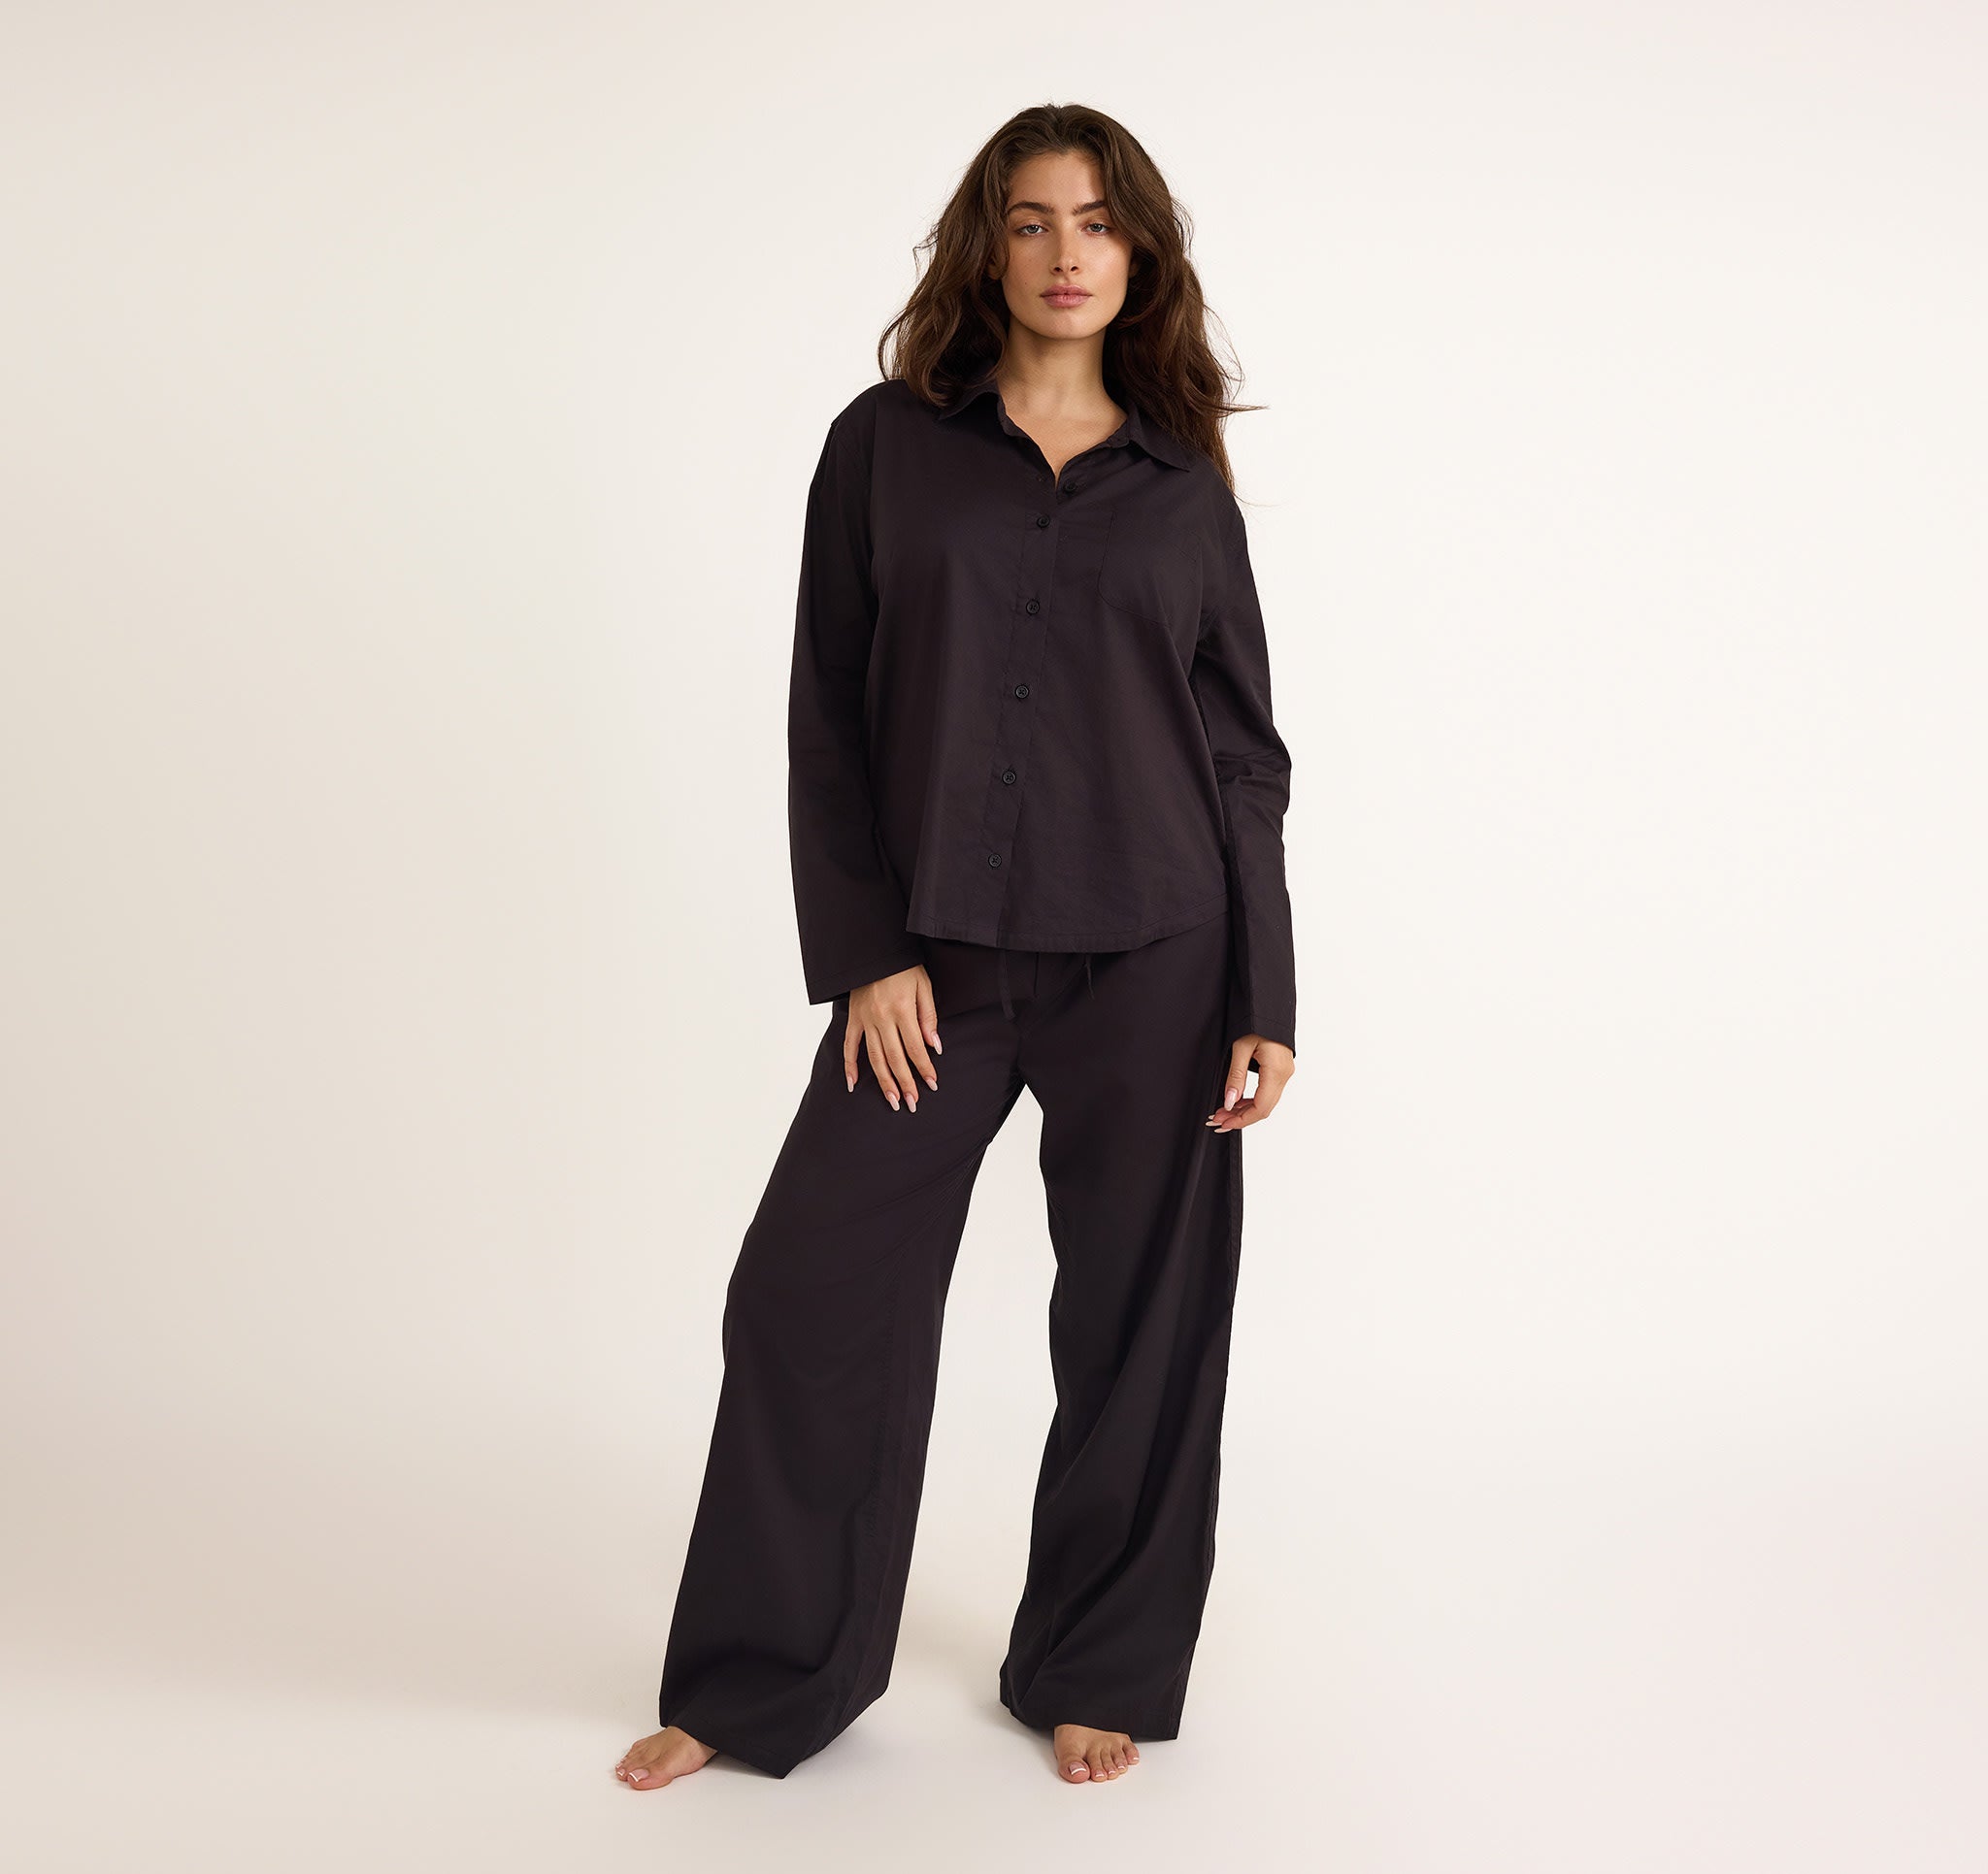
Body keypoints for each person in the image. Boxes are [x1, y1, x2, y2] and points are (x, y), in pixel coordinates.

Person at [615, 101, 1297, 1791]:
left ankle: (1098, 1661)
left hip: (1157, 955)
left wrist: (1264, 992)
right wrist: (868, 951)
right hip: (934, 966)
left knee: (1143, 1323)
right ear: (986, 248)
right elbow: (829, 714)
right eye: (1032, 220)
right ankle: (762, 1681)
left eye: (1098, 222)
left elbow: (1239, 753)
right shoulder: (884, 448)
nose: (1067, 254)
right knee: (809, 1297)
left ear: (1140, 253)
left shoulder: (1182, 476)